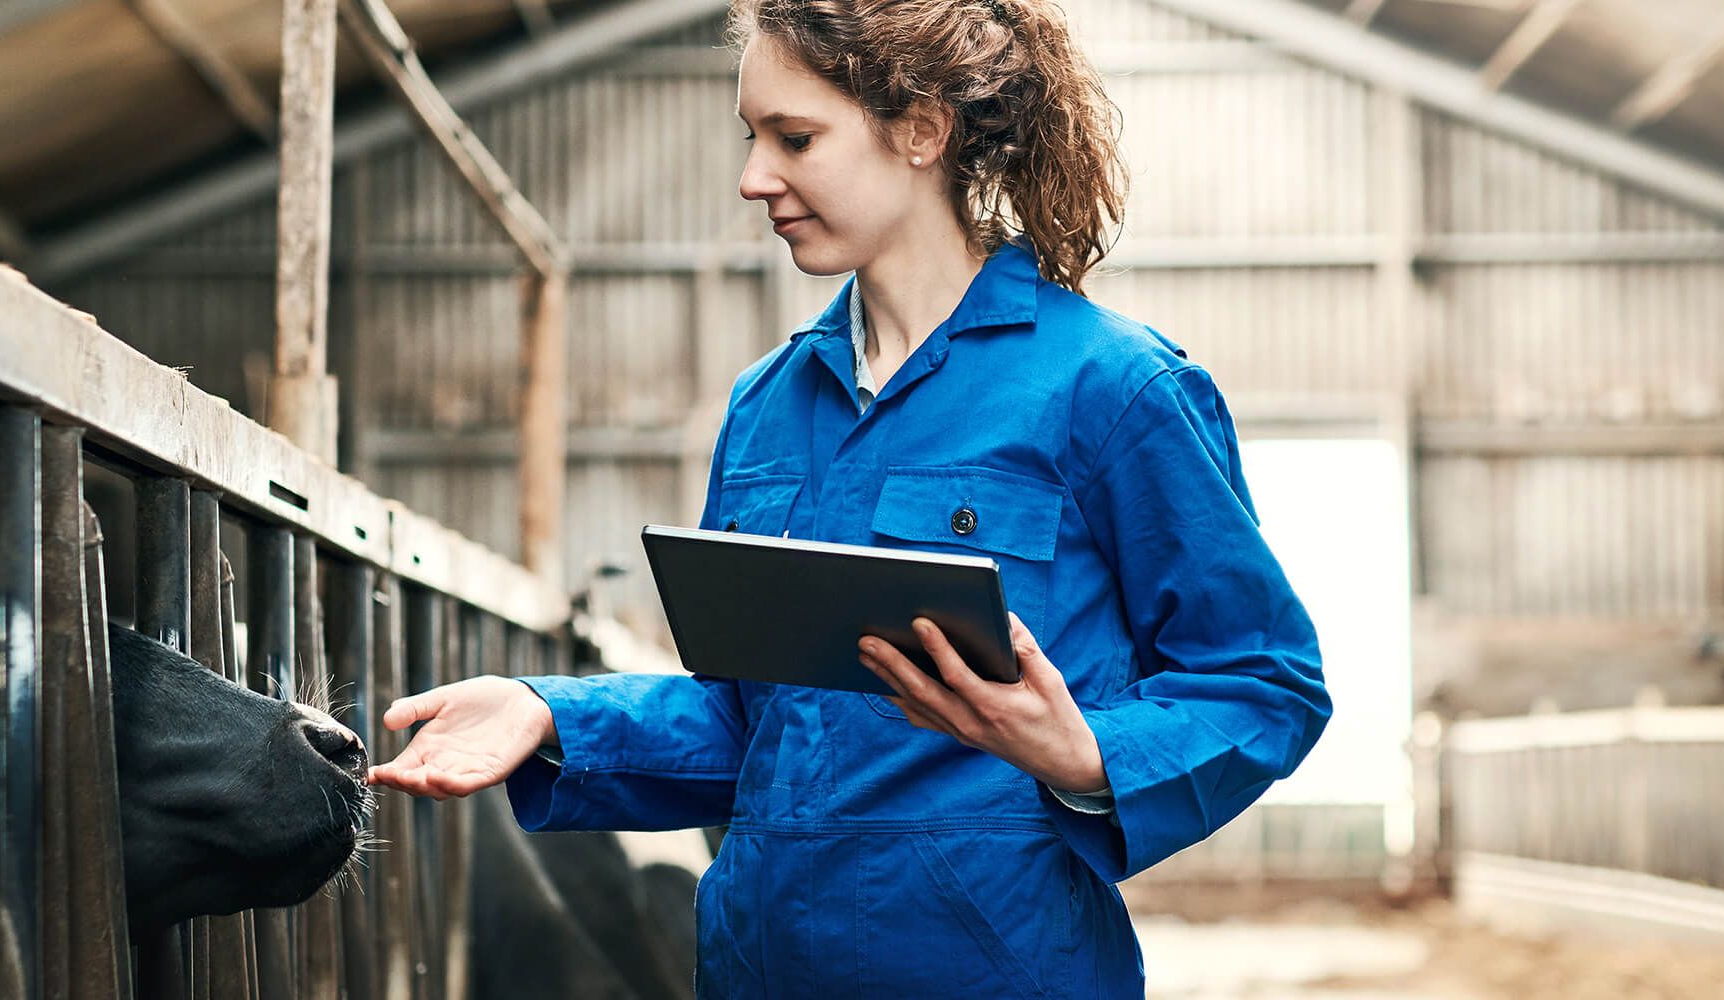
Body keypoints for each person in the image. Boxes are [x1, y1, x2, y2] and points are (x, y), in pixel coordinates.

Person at [365, 0, 1330, 994]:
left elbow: (1264, 680)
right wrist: (547, 715)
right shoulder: (765, 409)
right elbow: (757, 727)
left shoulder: (1111, 390)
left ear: (922, 129)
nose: (753, 179)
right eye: (752, 137)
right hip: (758, 967)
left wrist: (1087, 754)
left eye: (796, 137)